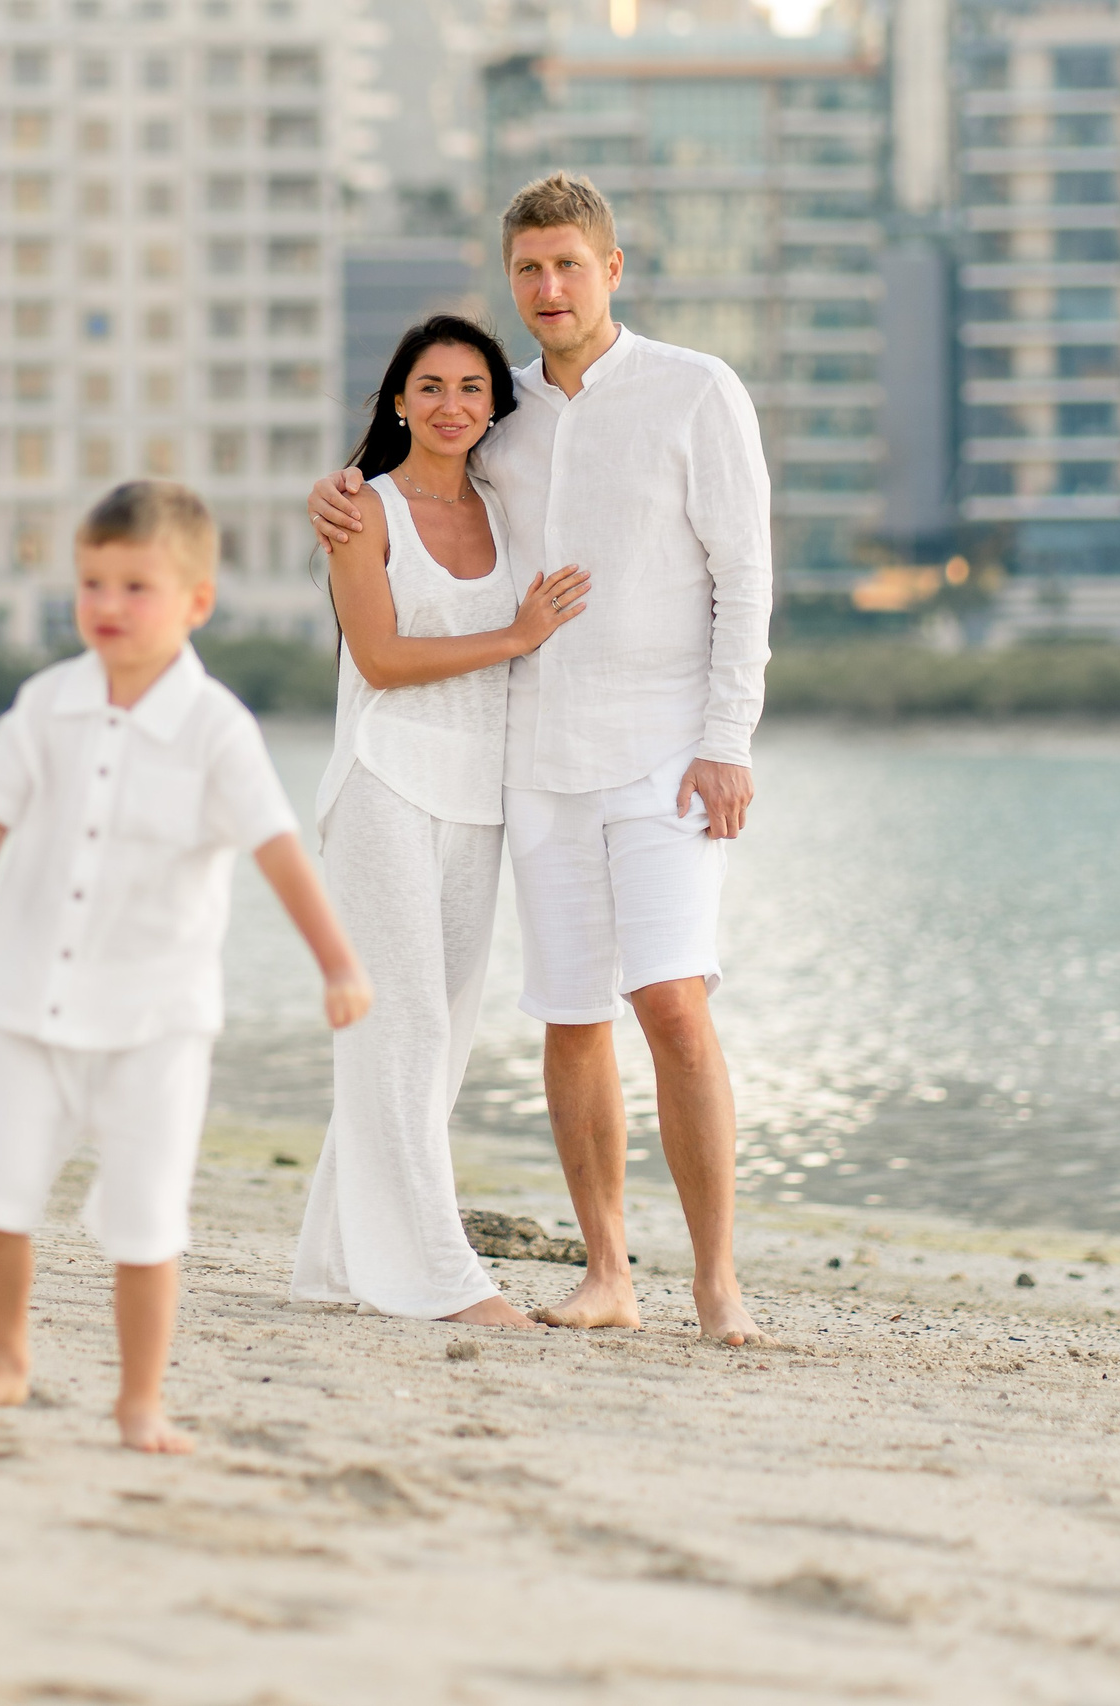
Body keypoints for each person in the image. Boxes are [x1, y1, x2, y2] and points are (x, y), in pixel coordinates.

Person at [309, 173, 772, 1346]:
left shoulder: (694, 391)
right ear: (510, 279)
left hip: (668, 754)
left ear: (612, 269)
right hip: (534, 763)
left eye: (569, 264)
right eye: (527, 269)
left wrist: (728, 741)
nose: (548, 287)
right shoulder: (499, 410)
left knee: (670, 1001)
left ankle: (716, 1284)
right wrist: (339, 487)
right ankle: (608, 1272)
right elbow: (421, 476)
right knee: (570, 1015)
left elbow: (744, 575)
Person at [0, 481, 373, 1453]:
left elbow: (278, 852)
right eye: (93, 582)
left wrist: (337, 963)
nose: (108, 605)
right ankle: (7, 1359)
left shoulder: (216, 727)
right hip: (26, 1002)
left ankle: (140, 1401)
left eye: (136, 585)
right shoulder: (46, 701)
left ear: (194, 602)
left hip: (156, 1018)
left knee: (146, 1219)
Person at [290, 316, 588, 1328]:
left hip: (478, 796)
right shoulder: (362, 510)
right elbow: (377, 659)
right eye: (430, 385)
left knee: (438, 1042)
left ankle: (339, 1256)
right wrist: (515, 635)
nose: (452, 403)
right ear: (398, 401)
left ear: (491, 407)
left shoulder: (510, 506)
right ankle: (443, 1278)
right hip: (382, 784)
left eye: (471, 386)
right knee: (405, 1026)